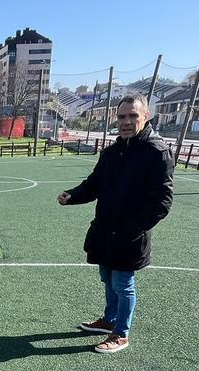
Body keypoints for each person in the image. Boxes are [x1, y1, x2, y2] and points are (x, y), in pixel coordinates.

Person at [58, 94, 174, 354]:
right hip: (105, 230)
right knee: (108, 279)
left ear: (145, 117)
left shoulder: (156, 151)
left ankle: (121, 333)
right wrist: (73, 195)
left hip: (129, 235)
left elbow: (162, 201)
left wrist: (133, 229)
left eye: (133, 115)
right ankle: (108, 320)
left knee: (123, 283)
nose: (126, 121)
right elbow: (95, 183)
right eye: (122, 116)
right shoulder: (113, 151)